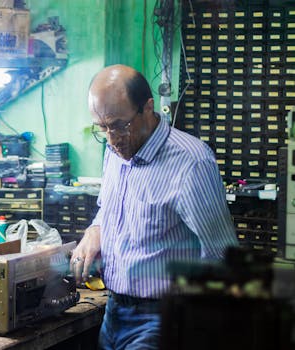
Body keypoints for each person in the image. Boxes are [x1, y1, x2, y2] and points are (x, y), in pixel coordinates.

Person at [70, 64, 238, 349]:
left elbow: (223, 256)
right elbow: (110, 207)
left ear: (148, 107)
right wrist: (96, 229)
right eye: (103, 128)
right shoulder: (115, 151)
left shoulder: (191, 163)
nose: (112, 138)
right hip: (115, 311)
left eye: (120, 125)